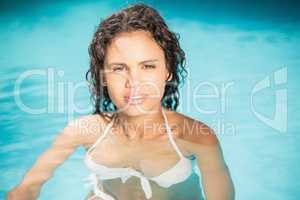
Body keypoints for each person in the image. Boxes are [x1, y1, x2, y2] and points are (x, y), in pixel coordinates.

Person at [7, 3, 235, 200]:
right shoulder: (84, 131)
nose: (134, 82)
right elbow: (27, 188)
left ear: (168, 72)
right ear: (103, 76)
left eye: (148, 66)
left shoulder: (196, 137)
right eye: (119, 68)